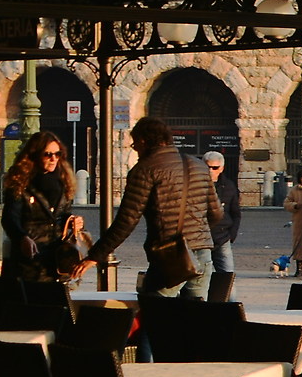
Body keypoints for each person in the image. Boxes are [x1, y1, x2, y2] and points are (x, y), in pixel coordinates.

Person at [87, 117, 223, 299]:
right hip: (202, 253)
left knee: (154, 308)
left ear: (143, 141)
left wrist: (95, 255)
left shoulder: (144, 170)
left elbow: (126, 221)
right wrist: (196, 232)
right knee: (194, 313)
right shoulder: (199, 166)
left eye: (135, 144)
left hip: (170, 255)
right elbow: (216, 213)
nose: (135, 149)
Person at [0, 130, 75, 284]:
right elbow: (9, 217)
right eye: (48, 154)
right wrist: (22, 237)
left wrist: (72, 220)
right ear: (35, 155)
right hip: (30, 260)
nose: (53, 159)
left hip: (57, 261)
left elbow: (63, 213)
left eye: (58, 154)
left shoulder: (63, 180)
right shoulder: (20, 182)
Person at [203, 149, 242, 278]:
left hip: (222, 236)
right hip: (201, 237)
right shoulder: (196, 185)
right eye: (207, 167)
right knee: (202, 276)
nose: (210, 171)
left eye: (215, 168)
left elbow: (235, 213)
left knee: (227, 276)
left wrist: (232, 235)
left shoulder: (229, 186)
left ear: (221, 168)